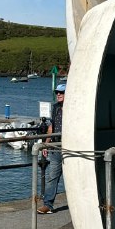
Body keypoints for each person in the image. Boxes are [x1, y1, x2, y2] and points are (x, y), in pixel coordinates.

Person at [37, 83, 65, 214]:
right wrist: (46, 144)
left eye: (61, 92)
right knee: (52, 176)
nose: (58, 94)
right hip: (55, 146)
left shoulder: (74, 108)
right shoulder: (55, 108)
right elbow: (51, 127)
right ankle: (48, 204)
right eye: (57, 92)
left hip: (70, 147)